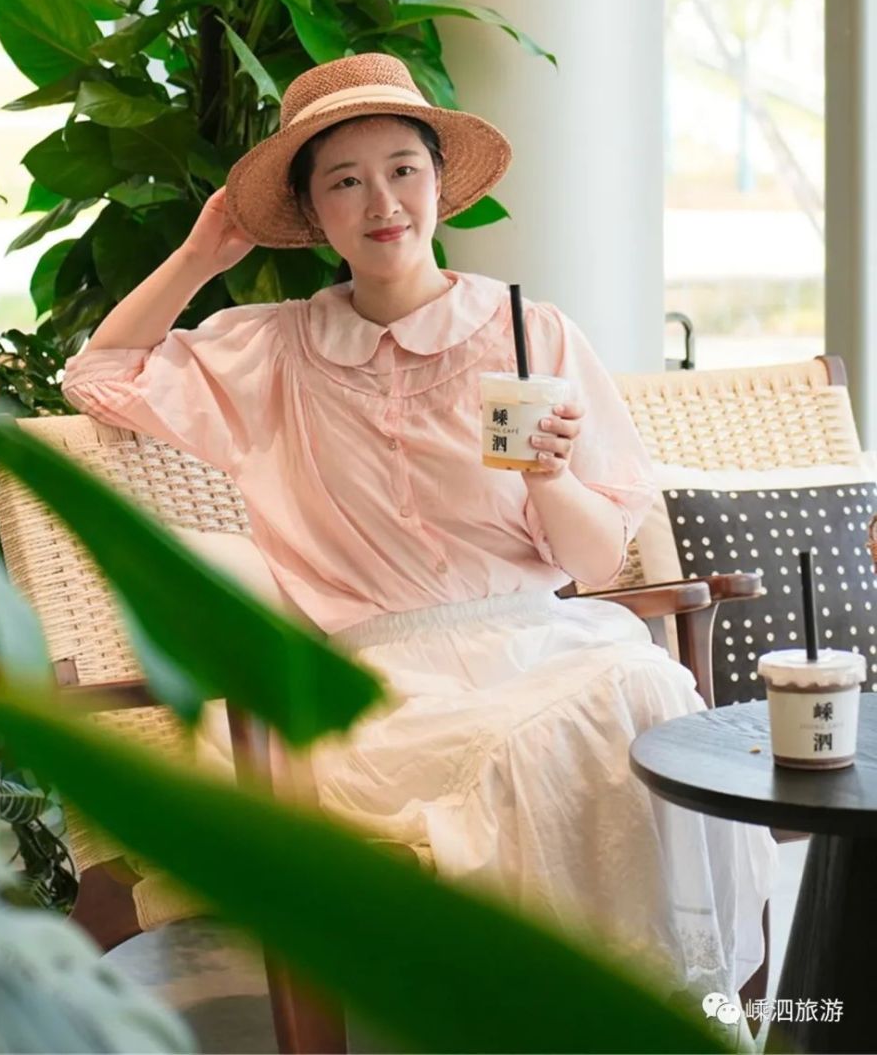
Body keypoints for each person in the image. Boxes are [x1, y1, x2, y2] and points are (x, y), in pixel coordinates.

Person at [62, 52, 777, 1010]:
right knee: (543, 739)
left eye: (403, 169)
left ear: (440, 183)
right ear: (312, 213)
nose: (382, 202)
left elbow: (597, 559)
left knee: (642, 686)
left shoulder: (529, 332)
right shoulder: (274, 350)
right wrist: (202, 256)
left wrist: (551, 477)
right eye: (344, 182)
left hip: (546, 644)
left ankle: (652, 1011)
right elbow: (98, 376)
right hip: (384, 694)